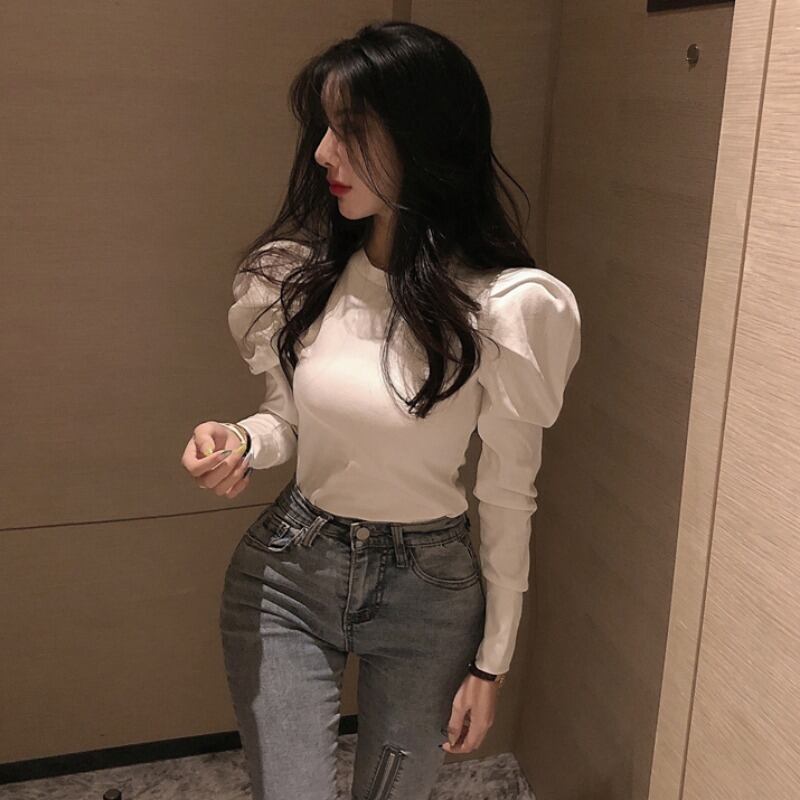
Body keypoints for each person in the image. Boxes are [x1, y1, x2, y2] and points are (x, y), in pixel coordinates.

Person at [180, 19, 581, 800]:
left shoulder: (503, 309)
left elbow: (507, 494)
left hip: (428, 594)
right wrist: (241, 440)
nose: (323, 153)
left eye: (351, 129)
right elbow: (289, 420)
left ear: (424, 136)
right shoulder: (300, 279)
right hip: (289, 574)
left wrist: (493, 660)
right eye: (324, 128)